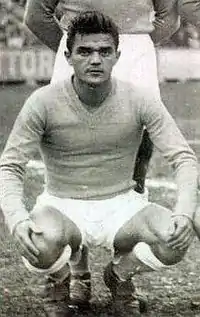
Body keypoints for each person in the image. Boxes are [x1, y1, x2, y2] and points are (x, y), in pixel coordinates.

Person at [0, 11, 199, 317]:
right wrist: (17, 219)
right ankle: (62, 276)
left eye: (104, 51)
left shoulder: (140, 98)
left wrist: (184, 212)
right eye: (85, 51)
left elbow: (183, 158)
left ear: (117, 56)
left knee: (174, 239)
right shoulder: (42, 102)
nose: (95, 60)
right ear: (68, 56)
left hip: (122, 207)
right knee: (40, 244)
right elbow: (10, 165)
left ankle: (120, 274)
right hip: (62, 206)